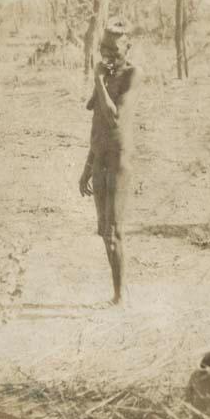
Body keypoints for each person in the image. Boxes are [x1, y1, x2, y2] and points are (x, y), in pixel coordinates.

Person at [79, 20, 141, 304]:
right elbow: (97, 121)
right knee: (104, 230)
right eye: (103, 47)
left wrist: (99, 81)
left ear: (127, 48)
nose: (108, 53)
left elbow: (114, 116)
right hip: (100, 158)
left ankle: (119, 297)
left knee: (114, 231)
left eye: (114, 49)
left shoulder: (131, 74)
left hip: (118, 161)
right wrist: (87, 167)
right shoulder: (105, 74)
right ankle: (116, 294)